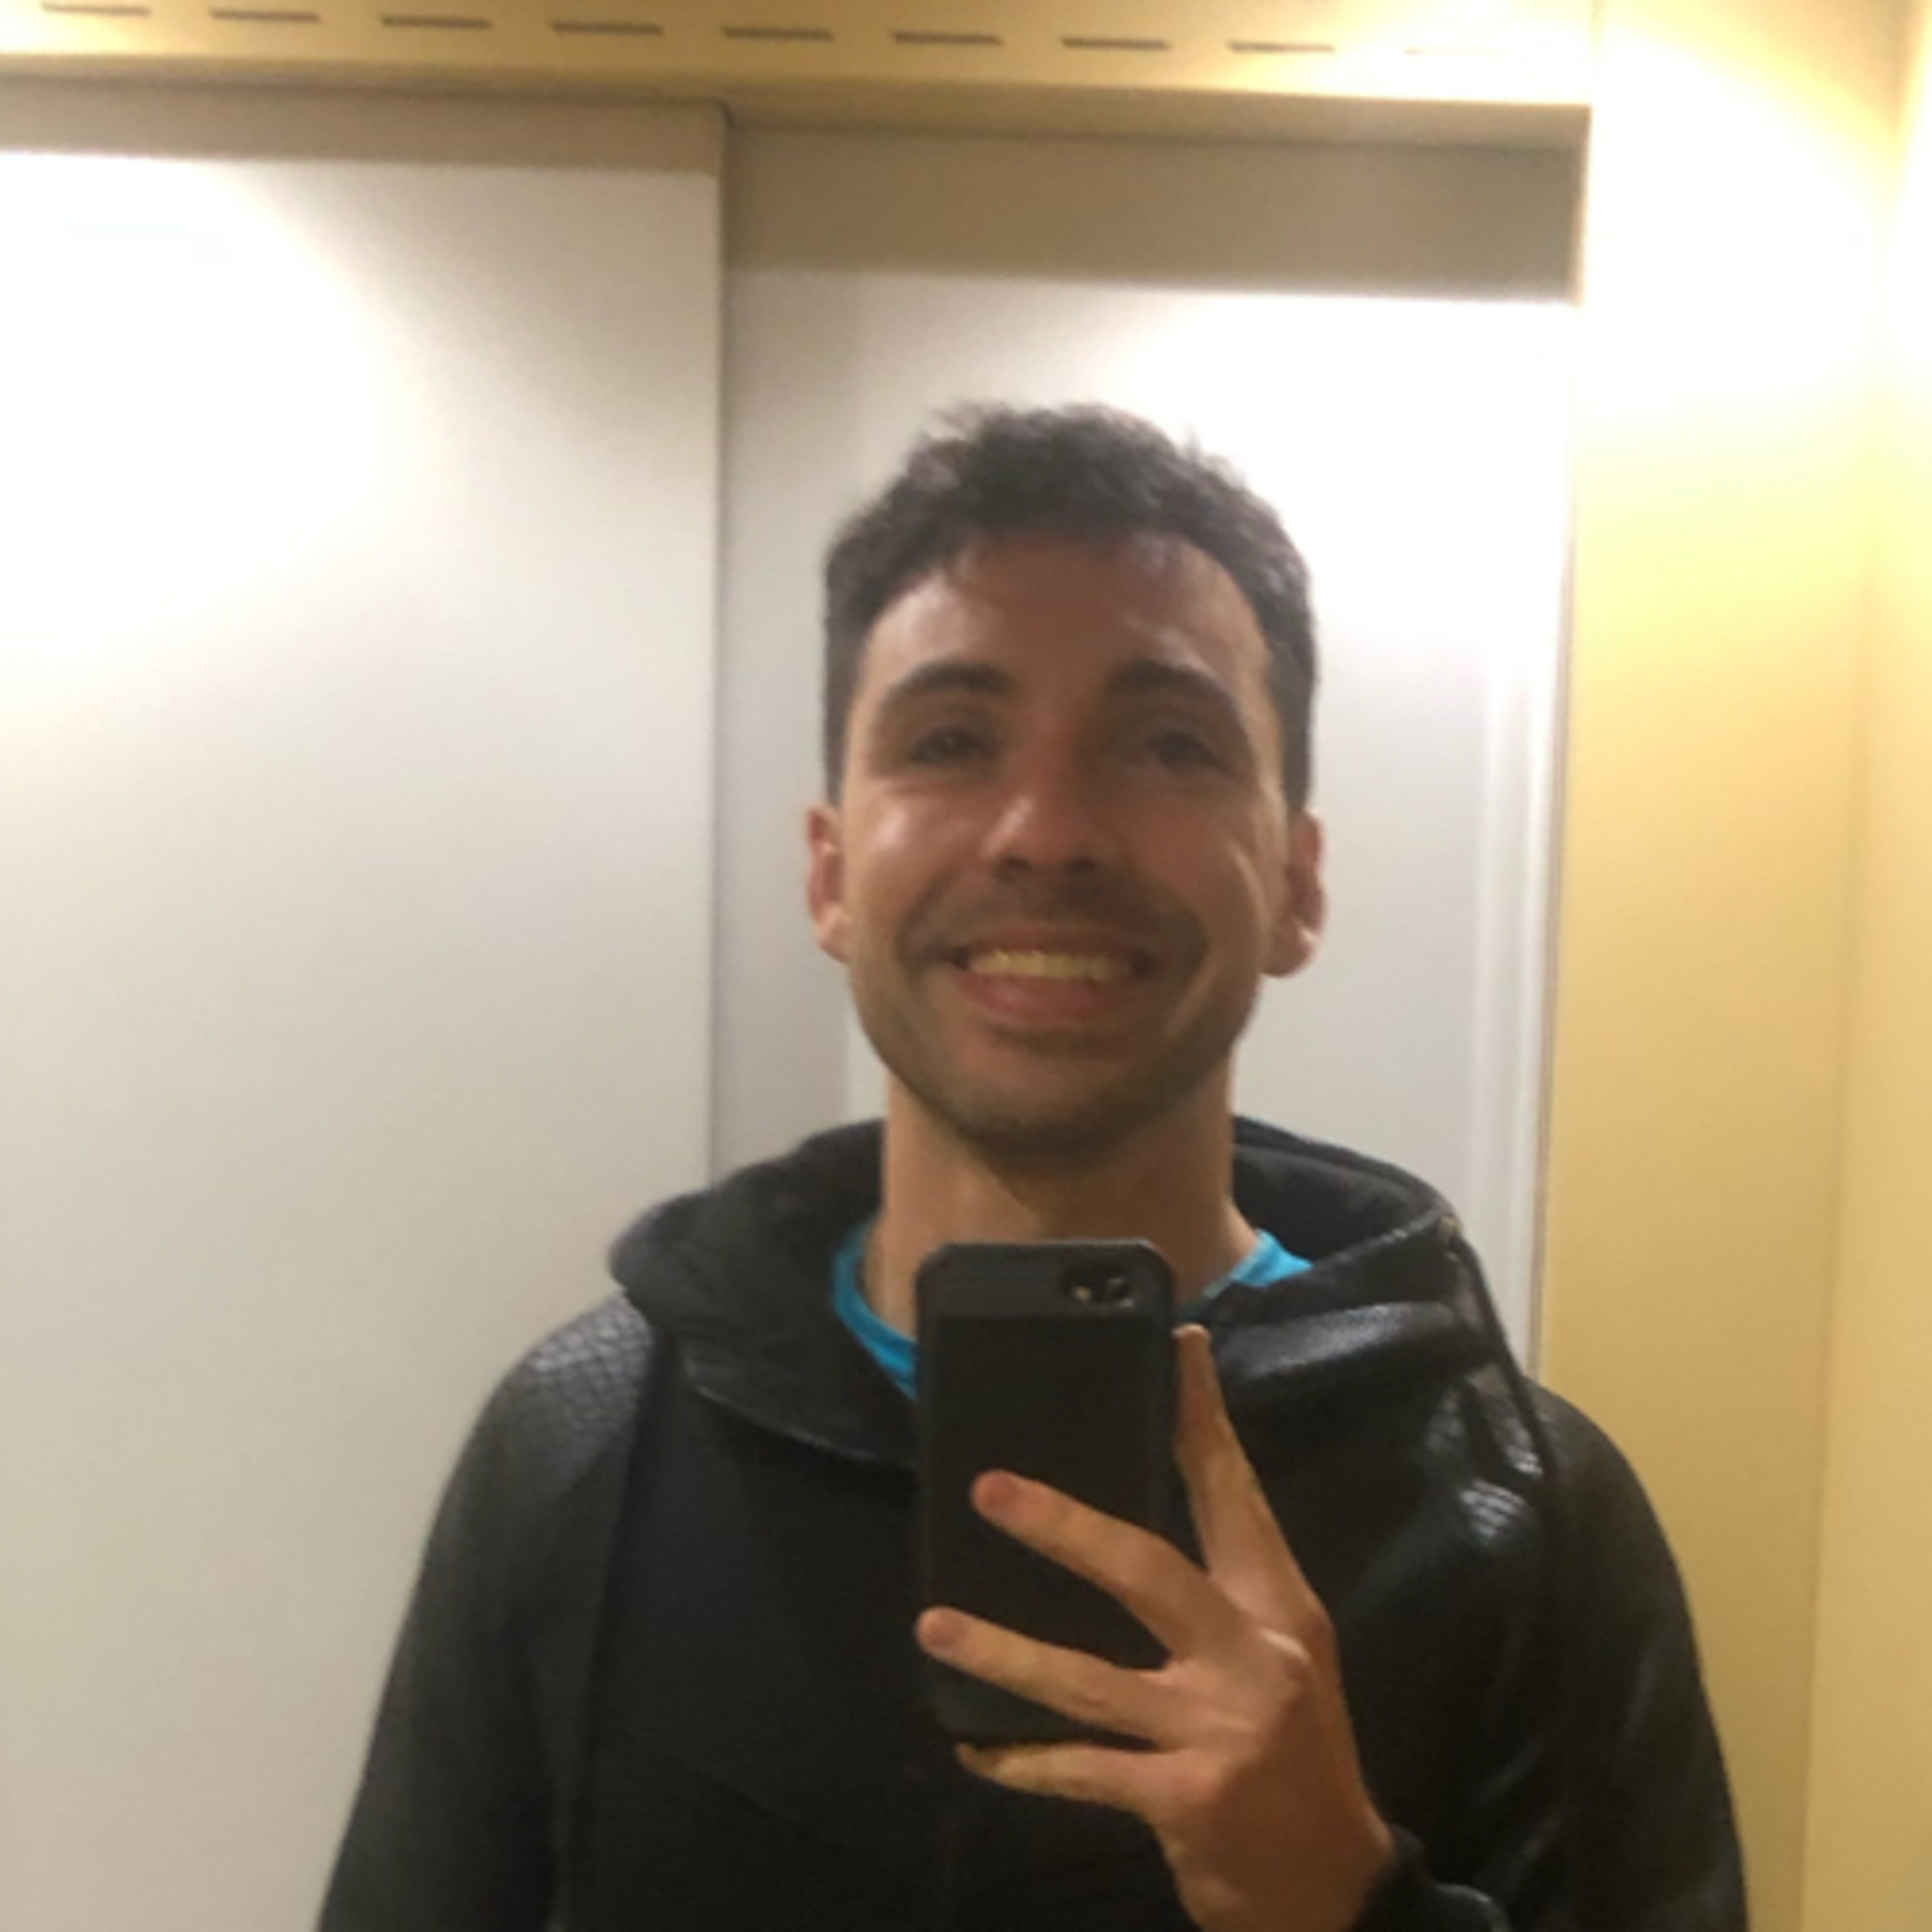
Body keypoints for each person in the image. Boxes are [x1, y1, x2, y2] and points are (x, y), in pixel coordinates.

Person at [320, 406, 1746, 1931]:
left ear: (1298, 883)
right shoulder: (588, 1443)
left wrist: (1349, 1904)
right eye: (950, 741)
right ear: (830, 874)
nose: (1049, 832)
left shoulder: (1516, 1509)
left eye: (1170, 744)